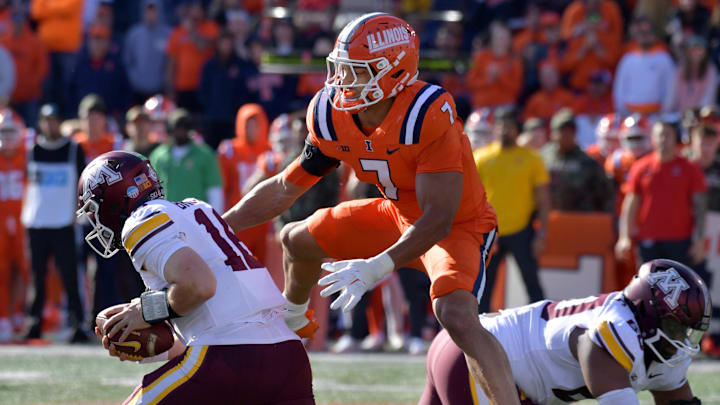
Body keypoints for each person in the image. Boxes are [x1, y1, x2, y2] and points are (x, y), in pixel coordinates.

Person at [223, 13, 519, 404]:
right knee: (295, 238)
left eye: (357, 72)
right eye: (341, 69)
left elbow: (438, 218)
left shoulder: (426, 113)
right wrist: (215, 226)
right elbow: (283, 189)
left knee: (456, 315)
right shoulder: (332, 115)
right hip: (395, 214)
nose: (342, 81)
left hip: (456, 227)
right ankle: (292, 322)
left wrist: (377, 265)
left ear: (393, 73)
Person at [78, 151, 314, 405]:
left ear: (115, 198)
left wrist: (145, 311)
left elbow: (199, 286)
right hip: (289, 358)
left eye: (94, 208)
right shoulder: (196, 209)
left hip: (230, 356)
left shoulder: (141, 222)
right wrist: (156, 339)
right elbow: (219, 306)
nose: (95, 219)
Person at [420, 259, 710, 405]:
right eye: (676, 327)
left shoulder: (655, 347)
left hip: (471, 352)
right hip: (479, 361)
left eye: (688, 331)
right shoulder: (615, 330)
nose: (681, 340)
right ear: (647, 313)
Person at [21, 103, 87, 342]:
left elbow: (83, 186)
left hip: (63, 223)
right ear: (40, 123)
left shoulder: (73, 149)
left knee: (70, 276)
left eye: (54, 120)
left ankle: (79, 324)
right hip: (37, 222)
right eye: (46, 120)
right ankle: (33, 323)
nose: (50, 125)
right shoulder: (32, 150)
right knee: (37, 277)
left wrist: (78, 215)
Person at [474, 108, 550, 314]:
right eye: (500, 126)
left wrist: (542, 234)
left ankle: (543, 327)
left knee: (532, 284)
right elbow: (470, 197)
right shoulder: (481, 157)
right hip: (490, 232)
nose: (504, 130)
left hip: (522, 230)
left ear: (517, 130)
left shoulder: (532, 159)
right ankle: (481, 331)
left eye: (509, 126)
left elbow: (543, 200)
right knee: (483, 287)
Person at [617, 121, 708, 268]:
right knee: (648, 287)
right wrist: (624, 237)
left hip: (680, 240)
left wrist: (699, 240)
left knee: (678, 287)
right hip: (648, 238)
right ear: (653, 138)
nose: (663, 139)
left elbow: (700, 206)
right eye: (660, 135)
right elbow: (631, 203)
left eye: (667, 135)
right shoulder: (641, 167)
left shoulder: (689, 168)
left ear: (674, 138)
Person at [217, 104, 270, 261]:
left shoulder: (270, 150)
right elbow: (222, 186)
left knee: (266, 267)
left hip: (264, 218)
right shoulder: (229, 150)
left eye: (256, 125)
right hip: (238, 215)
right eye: (248, 125)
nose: (252, 130)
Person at [149, 109, 224, 211]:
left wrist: (215, 219)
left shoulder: (205, 155)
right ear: (170, 129)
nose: (181, 130)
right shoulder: (158, 156)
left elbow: (214, 190)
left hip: (196, 218)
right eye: (177, 127)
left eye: (184, 126)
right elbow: (152, 191)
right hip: (167, 218)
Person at [541, 109, 613, 212]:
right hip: (550, 218)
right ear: (553, 133)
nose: (566, 135)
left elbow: (603, 195)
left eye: (570, 131)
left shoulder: (588, 163)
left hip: (579, 220)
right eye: (562, 131)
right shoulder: (542, 158)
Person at [0, 112, 27, 341]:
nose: (7, 139)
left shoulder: (27, 156)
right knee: (2, 270)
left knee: (27, 268)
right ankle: (4, 317)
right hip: (1, 221)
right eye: (3, 133)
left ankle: (21, 313)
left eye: (11, 133)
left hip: (22, 219)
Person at [613, 16, 675, 115]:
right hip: (630, 114)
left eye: (648, 33)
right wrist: (622, 110)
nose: (644, 37)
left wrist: (664, 110)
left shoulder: (664, 58)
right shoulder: (628, 59)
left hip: (655, 114)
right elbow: (620, 88)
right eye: (641, 34)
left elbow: (670, 88)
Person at [123, 0, 171, 104]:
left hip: (160, 91)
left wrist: (164, 82)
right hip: (137, 92)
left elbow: (170, 62)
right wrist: (134, 79)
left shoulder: (168, 34)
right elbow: (127, 61)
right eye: (148, 11)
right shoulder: (134, 34)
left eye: (154, 11)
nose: (151, 14)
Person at [466, 20, 523, 109]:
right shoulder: (480, 57)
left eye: (504, 37)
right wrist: (488, 79)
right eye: (498, 37)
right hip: (481, 107)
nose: (501, 41)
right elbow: (470, 83)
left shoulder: (515, 60)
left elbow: (517, 89)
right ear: (492, 38)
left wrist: (500, 77)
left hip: (505, 107)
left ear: (509, 39)